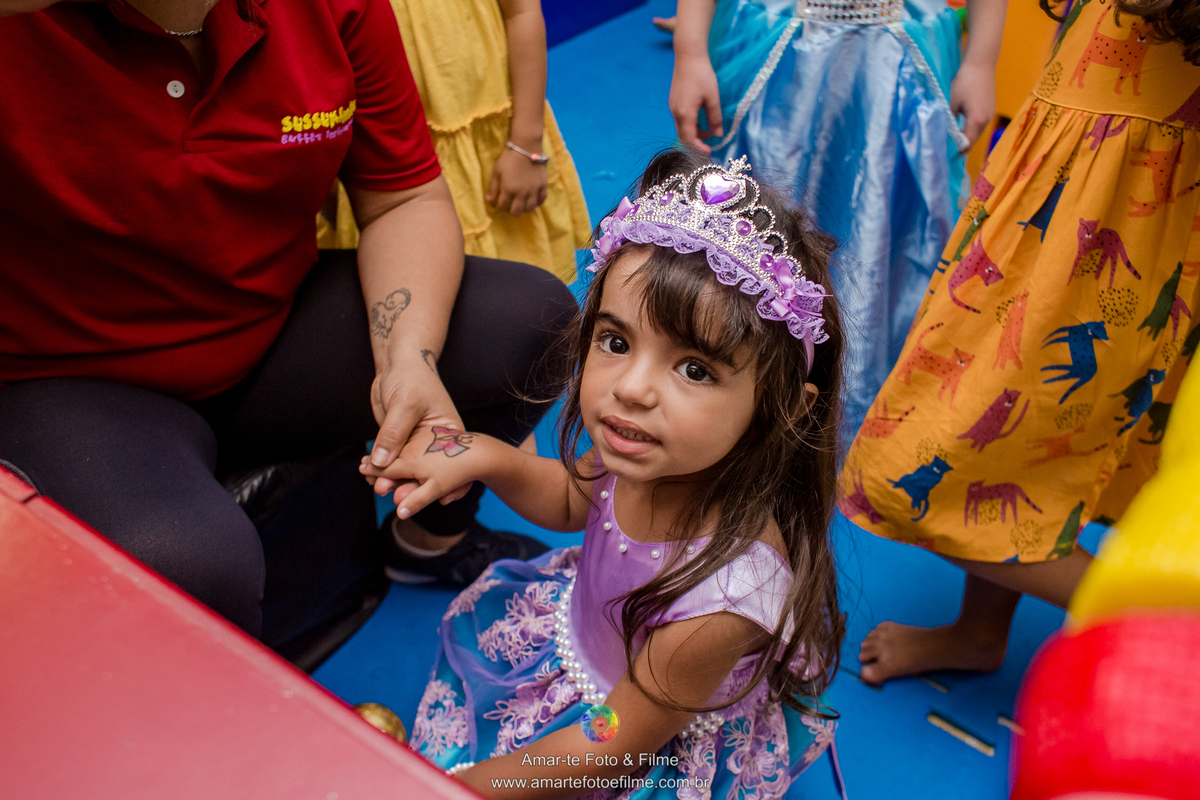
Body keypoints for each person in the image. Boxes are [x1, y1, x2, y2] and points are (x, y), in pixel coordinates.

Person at [0, 0, 575, 637]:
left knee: (535, 319)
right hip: (72, 372)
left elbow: (403, 197)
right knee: (188, 569)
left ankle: (423, 544)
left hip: (268, 324)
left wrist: (406, 359)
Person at [361, 150, 848, 798]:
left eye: (695, 369)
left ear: (784, 405)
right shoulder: (649, 453)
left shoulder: (725, 599)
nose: (633, 389)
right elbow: (572, 497)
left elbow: (611, 746)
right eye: (617, 342)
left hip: (621, 743)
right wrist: (484, 455)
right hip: (584, 667)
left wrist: (459, 789)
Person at [842, 0, 1200, 684]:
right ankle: (980, 633)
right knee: (1017, 446)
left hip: (1110, 210)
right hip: (1077, 175)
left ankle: (1167, 631)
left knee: (905, 476)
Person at [669, 0, 1006, 436]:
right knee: (755, 225)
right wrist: (689, 47)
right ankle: (728, 391)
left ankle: (856, 403)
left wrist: (982, 58)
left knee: (886, 237)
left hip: (899, 59)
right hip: (780, 54)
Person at [317, 0, 591, 284]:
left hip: (493, 150)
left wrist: (525, 145)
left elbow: (522, 11)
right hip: (380, 156)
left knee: (515, 289)